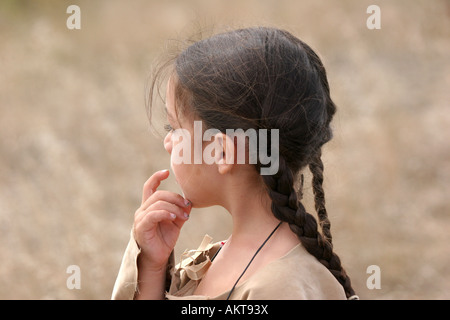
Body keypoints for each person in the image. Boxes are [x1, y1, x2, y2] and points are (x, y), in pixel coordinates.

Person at [111, 27, 358, 300]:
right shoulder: (225, 258)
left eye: (174, 127)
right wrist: (151, 268)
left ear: (222, 153)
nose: (167, 142)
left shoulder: (280, 288)